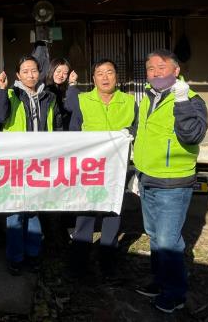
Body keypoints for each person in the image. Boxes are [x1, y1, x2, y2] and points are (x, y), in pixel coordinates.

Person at [132, 49, 208, 314]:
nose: (155, 73)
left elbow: (192, 135)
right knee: (154, 235)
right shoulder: (147, 98)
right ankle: (160, 281)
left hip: (173, 182)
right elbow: (143, 131)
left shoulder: (192, 99)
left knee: (168, 240)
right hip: (147, 177)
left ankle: (175, 294)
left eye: (161, 67)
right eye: (150, 68)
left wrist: (182, 102)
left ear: (176, 71)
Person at [64, 58, 137, 278]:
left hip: (117, 167)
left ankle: (108, 262)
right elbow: (74, 132)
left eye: (110, 72)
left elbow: (137, 128)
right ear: (93, 78)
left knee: (112, 212)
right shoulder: (82, 100)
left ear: (117, 77)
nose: (105, 78)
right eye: (100, 73)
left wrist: (130, 132)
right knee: (85, 213)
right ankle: (79, 265)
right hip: (89, 168)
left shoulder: (129, 101)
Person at [0, 56, 61, 275]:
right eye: (25, 71)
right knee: (15, 213)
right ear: (18, 75)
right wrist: (1, 90)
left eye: (33, 70)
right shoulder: (11, 95)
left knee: (33, 211)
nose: (30, 75)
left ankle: (33, 254)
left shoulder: (49, 97)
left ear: (39, 73)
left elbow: (58, 127)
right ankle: (15, 257)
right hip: (14, 163)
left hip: (40, 163)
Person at [45, 58, 73, 130]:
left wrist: (72, 84)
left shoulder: (65, 89)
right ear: (52, 70)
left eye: (65, 73)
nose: (61, 75)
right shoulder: (46, 90)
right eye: (58, 71)